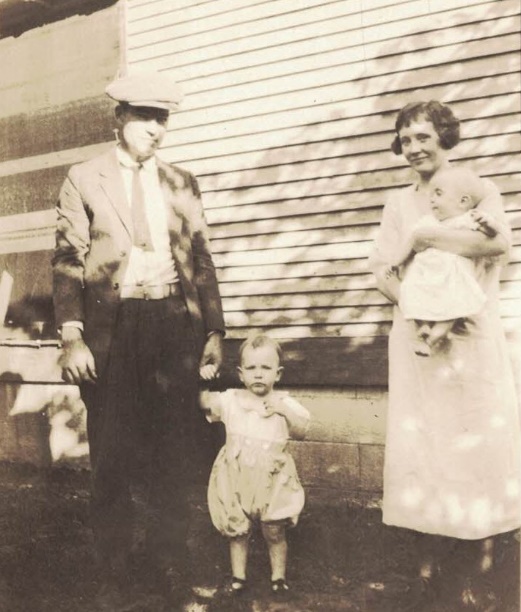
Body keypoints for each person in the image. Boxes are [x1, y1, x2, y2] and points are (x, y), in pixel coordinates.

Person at [52, 71, 225, 608]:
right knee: (113, 454)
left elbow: (201, 258)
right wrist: (72, 336)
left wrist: (215, 330)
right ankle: (114, 570)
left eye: (164, 119)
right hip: (115, 330)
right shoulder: (84, 179)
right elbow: (67, 262)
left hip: (174, 325)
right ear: (119, 118)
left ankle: (167, 561)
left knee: (175, 452)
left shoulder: (181, 181)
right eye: (146, 117)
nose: (157, 129)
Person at [368, 100, 520, 607]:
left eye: (423, 137)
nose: (413, 148)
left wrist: (432, 236)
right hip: (418, 341)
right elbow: (383, 271)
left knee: (476, 444)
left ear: (444, 137)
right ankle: (427, 568)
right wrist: (418, 305)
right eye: (405, 139)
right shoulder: (398, 205)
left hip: (472, 339)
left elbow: (497, 246)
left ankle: (481, 567)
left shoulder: (478, 187)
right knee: (425, 445)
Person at [199, 334, 310, 601]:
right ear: (240, 373)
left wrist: (285, 412)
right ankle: (239, 578)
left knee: (274, 529)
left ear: (278, 373)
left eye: (266, 368)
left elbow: (302, 431)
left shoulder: (284, 402)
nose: (258, 374)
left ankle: (278, 578)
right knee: (237, 529)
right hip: (236, 475)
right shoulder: (231, 400)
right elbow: (205, 405)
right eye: (251, 368)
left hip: (272, 478)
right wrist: (203, 381)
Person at [386, 166, 502, 356]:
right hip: (426, 273)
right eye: (431, 194)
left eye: (438, 194)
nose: (432, 199)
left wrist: (488, 223)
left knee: (453, 309)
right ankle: (422, 325)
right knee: (411, 293)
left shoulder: (467, 220)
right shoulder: (428, 221)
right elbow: (411, 241)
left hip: (452, 277)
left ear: (463, 201)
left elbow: (493, 235)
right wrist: (396, 261)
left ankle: (431, 341)